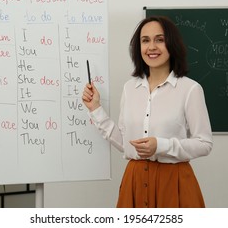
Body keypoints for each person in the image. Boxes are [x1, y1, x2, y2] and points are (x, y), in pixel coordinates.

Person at [82, 16, 213, 208]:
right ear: (138, 48)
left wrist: (161, 145)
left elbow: (204, 143)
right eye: (145, 40)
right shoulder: (129, 88)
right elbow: (125, 143)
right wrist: (95, 108)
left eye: (159, 39)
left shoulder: (190, 89)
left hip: (173, 181)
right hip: (134, 180)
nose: (152, 47)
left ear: (172, 44)